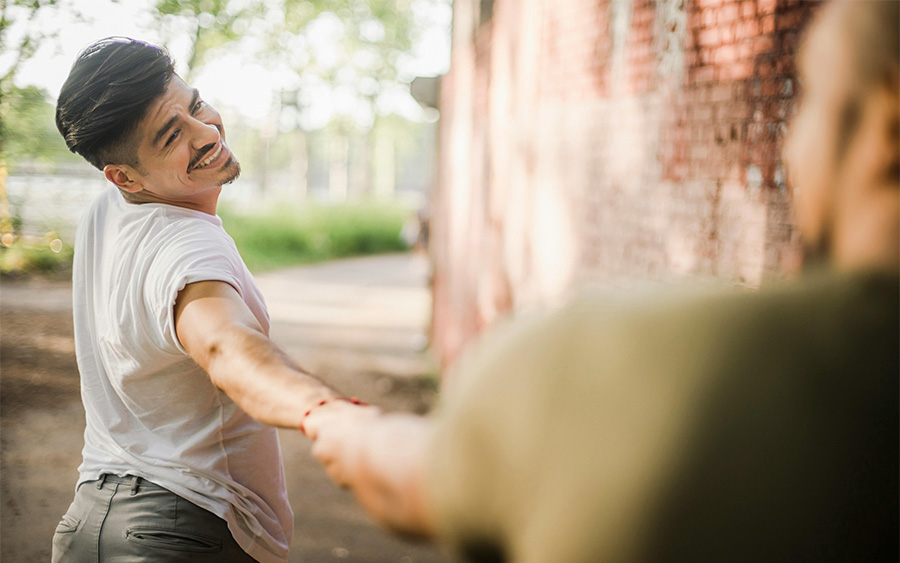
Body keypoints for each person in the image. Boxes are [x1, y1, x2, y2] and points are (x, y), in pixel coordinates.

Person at [308, 2, 899, 561]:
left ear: (888, 121)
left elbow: (408, 478)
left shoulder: (615, 360)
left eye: (811, 98)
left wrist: (351, 428)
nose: (794, 143)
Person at [52, 38, 365, 563]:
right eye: (173, 134)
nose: (208, 131)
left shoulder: (107, 210)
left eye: (194, 105)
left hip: (88, 524)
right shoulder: (188, 246)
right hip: (183, 532)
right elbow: (225, 345)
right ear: (124, 176)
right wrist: (329, 413)